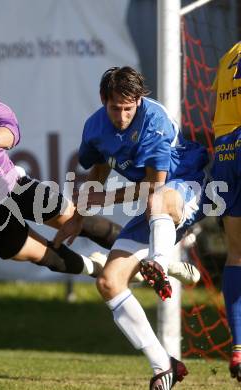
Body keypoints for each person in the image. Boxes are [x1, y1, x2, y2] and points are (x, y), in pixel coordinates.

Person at [0, 50, 199, 287]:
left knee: (75, 219)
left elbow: (12, 132)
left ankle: (158, 259)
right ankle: (99, 270)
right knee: (46, 255)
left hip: (11, 185)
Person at [54, 66, 209, 389]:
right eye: (115, 108)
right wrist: (79, 216)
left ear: (139, 100)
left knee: (158, 201)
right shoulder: (95, 127)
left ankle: (161, 263)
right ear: (103, 100)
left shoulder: (154, 121)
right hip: (155, 206)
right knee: (109, 283)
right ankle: (163, 365)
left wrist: (106, 198)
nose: (123, 116)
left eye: (129, 108)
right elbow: (99, 169)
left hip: (188, 187)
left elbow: (155, 188)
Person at [210, 42, 241, 382]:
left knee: (236, 256)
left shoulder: (228, 53)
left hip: (226, 152)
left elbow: (214, 102)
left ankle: (238, 350)